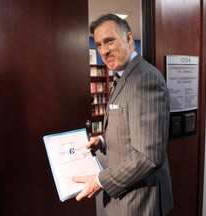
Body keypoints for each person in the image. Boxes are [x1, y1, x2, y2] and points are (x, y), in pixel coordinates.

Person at [73, 13, 174, 216]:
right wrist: (101, 141)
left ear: (129, 38)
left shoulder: (144, 78)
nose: (104, 50)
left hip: (140, 203)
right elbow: (129, 126)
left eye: (109, 41)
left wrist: (101, 180)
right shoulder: (122, 75)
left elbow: (148, 156)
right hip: (125, 199)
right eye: (99, 44)